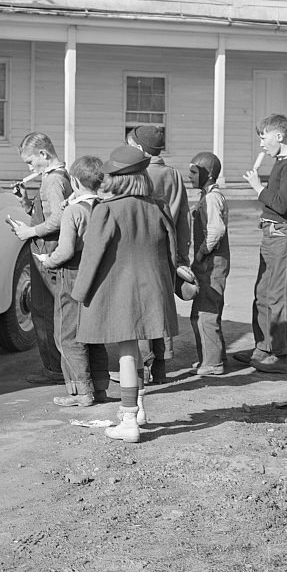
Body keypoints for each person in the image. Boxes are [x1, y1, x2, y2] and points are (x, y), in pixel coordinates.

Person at [72, 145, 179, 443]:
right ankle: (140, 409)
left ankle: (129, 418)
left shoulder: (106, 210)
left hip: (120, 292)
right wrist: (171, 283)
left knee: (127, 355)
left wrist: (80, 293)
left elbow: (92, 257)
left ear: (118, 178)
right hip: (154, 288)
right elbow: (172, 252)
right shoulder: (159, 206)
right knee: (138, 350)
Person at [233, 114, 287, 374]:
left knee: (280, 296)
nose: (262, 144)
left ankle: (281, 356)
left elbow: (282, 204)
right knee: (263, 293)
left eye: (263, 137)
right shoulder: (281, 162)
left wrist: (257, 187)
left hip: (283, 234)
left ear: (279, 135)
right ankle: (263, 348)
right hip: (272, 233)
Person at [36, 156, 110, 407]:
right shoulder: (105, 207)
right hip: (99, 274)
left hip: (73, 274)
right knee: (93, 334)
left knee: (68, 336)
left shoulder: (73, 211)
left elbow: (66, 250)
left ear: (75, 181)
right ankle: (100, 387)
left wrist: (48, 260)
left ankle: (80, 392)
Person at [125, 125, 191, 384]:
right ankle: (161, 367)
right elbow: (184, 217)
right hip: (168, 249)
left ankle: (142, 367)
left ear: (140, 149)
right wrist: (182, 257)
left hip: (141, 250)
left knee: (140, 309)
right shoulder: (174, 174)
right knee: (161, 307)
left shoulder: (137, 174)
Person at [9, 132, 73, 385]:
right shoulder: (55, 178)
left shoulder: (53, 181)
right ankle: (58, 367)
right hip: (47, 249)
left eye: (30, 161)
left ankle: (54, 369)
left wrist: (28, 231)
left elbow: (58, 219)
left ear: (44, 155)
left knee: (45, 311)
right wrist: (26, 203)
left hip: (48, 251)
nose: (29, 167)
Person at [188, 152, 230, 376]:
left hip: (212, 264)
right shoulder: (207, 196)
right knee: (208, 309)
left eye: (194, 172)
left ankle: (213, 363)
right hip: (211, 263)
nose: (190, 176)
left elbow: (216, 230)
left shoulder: (213, 198)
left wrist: (201, 255)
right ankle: (212, 356)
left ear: (209, 174)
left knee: (206, 311)